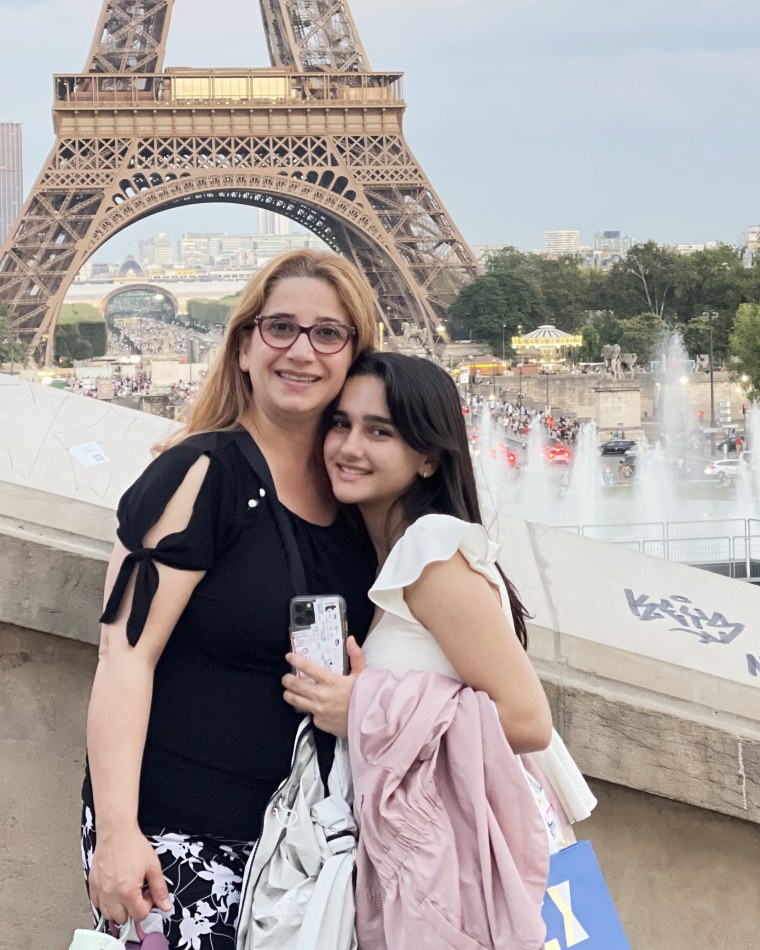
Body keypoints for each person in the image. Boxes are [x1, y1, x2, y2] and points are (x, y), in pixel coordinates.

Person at [81, 250, 378, 946]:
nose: (302, 350)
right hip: (181, 841)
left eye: (327, 333)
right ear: (244, 345)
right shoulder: (202, 472)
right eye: (281, 328)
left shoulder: (357, 501)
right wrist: (119, 835)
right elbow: (124, 658)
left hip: (306, 848)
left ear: (353, 357)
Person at [283, 352, 554, 946]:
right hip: (428, 861)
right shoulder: (387, 555)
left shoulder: (430, 552)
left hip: (454, 871)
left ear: (429, 456)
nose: (350, 446)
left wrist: (362, 707)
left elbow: (529, 721)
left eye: (380, 431)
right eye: (340, 423)